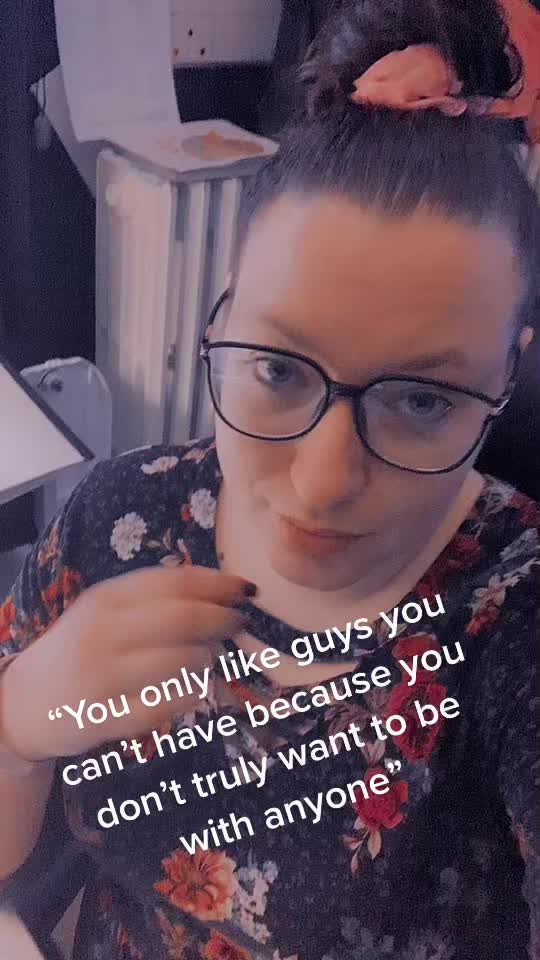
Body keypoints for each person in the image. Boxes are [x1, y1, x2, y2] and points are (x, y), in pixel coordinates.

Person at [1, 1, 539, 958]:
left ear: (508, 374)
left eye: (422, 400)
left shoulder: (513, 617)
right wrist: (16, 730)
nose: (324, 482)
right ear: (219, 327)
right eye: (279, 370)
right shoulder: (117, 520)